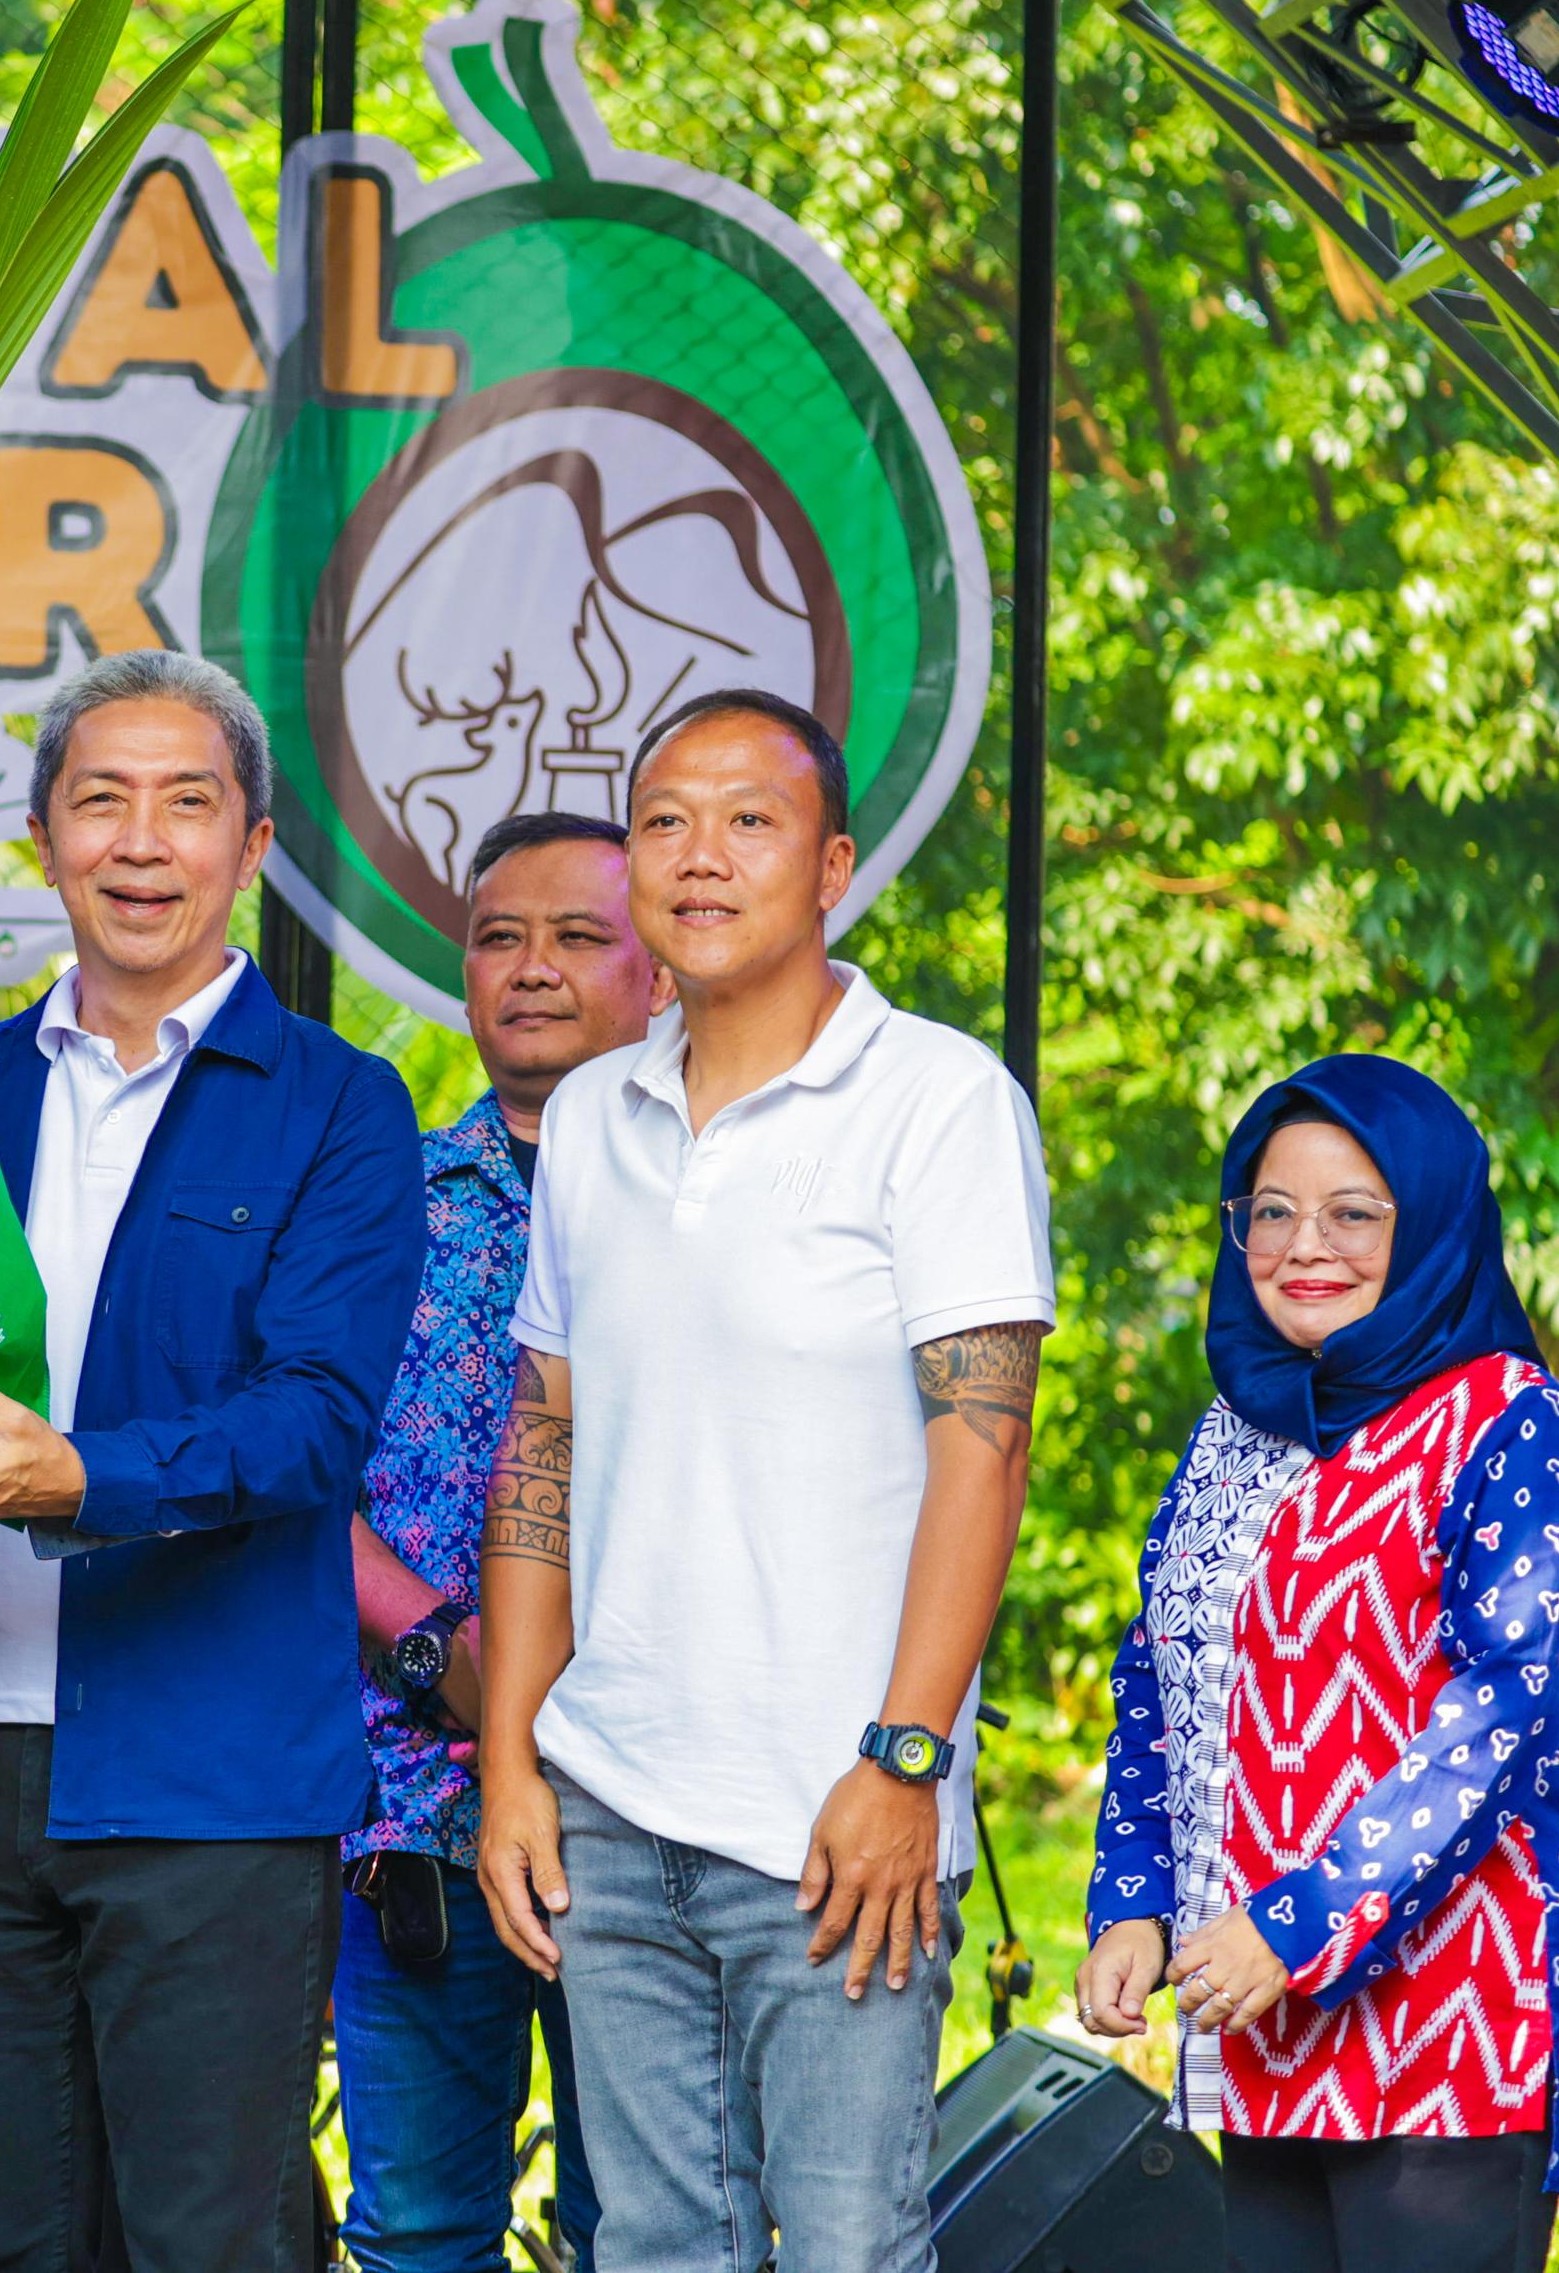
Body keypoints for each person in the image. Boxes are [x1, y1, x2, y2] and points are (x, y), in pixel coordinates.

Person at [0, 646, 428, 2273]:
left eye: (186, 803)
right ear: (47, 838)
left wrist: (71, 1479)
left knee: (205, 2243)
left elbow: (316, 1417)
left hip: (213, 1786)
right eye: (100, 799)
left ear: (251, 845)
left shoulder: (340, 1107)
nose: (141, 842)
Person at [475, 687, 1053, 2273]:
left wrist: (906, 1759)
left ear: (834, 866)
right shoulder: (589, 1118)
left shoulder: (938, 1100)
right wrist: (514, 1764)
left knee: (851, 2247)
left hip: (837, 1815)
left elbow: (986, 1449)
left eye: (750, 820)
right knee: (654, 2247)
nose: (701, 855)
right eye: (665, 822)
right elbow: (543, 1440)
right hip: (608, 1806)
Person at [1081, 1055, 1559, 2273]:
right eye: (1269, 1210)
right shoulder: (1237, 1426)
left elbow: (1500, 1719)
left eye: (1351, 1213)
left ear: (1426, 1222)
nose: (1302, 1246)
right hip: (1260, 2015)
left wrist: (1297, 1922)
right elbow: (1157, 1681)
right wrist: (1130, 1903)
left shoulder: (1506, 1420)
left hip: (1454, 2019)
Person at [341, 811, 655, 2273]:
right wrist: (432, 1647)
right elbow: (285, 1463)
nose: (532, 967)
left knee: (649, 2232)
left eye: (579, 936)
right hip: (416, 1808)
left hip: (658, 1813)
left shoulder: (716, 1205)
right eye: (498, 938)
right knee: (416, 2234)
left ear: (661, 969)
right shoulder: (376, 1202)